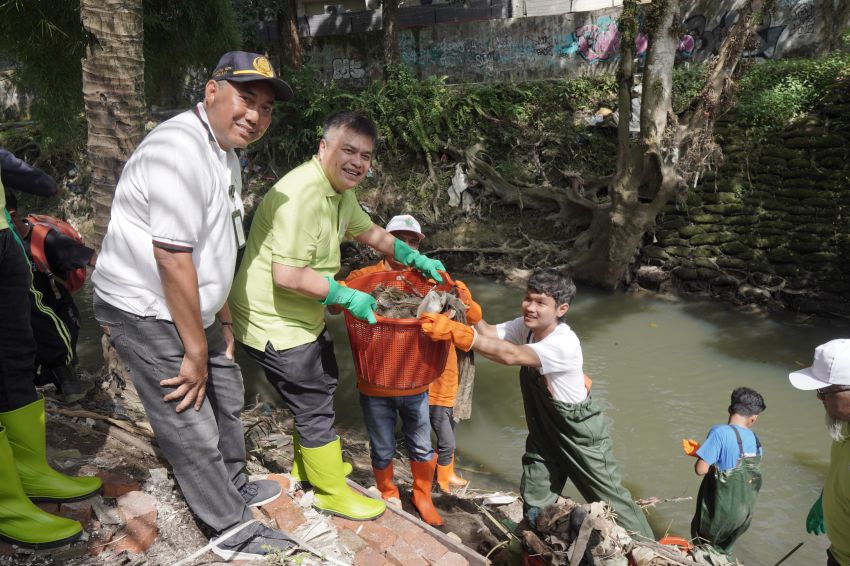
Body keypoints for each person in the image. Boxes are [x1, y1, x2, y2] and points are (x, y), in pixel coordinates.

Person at [92, 52, 297, 560]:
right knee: (189, 414)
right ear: (211, 91)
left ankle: (233, 485)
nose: (255, 115)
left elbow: (218, 243)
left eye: (266, 108)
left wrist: (221, 318)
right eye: (246, 100)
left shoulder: (224, 152)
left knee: (227, 388)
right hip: (145, 307)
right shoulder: (180, 150)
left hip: (191, 306)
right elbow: (172, 256)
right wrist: (193, 348)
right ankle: (228, 529)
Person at [228, 111, 446, 522]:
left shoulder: (338, 192)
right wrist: (347, 296)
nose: (357, 163)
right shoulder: (303, 197)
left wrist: (413, 256)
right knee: (313, 402)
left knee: (324, 379)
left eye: (365, 155)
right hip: (271, 317)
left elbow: (373, 234)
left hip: (300, 313)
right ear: (324, 147)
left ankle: (307, 466)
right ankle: (330, 492)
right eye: (348, 150)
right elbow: (287, 274)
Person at [419, 267, 654, 539]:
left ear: (561, 309)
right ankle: (542, 541)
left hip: (580, 435)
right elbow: (489, 335)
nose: (530, 307)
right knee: (534, 492)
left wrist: (458, 334)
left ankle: (653, 548)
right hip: (545, 430)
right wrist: (471, 311)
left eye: (541, 303)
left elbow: (509, 355)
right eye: (528, 298)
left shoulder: (562, 343)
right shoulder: (527, 327)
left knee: (612, 501)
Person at [343, 214, 481, 525]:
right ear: (383, 242)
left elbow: (473, 314)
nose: (407, 244)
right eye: (399, 238)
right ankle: (388, 492)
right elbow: (334, 304)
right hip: (374, 381)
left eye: (413, 240)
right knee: (381, 445)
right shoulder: (365, 275)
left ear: (419, 244)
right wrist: (343, 293)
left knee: (421, 444)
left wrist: (460, 293)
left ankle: (422, 495)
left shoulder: (431, 281)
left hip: (416, 384)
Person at [0, 149, 101, 548]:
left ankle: (29, 472)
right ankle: (6, 504)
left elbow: (42, 182)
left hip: (3, 236)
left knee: (16, 354)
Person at [5, 189, 96, 402]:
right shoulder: (7, 248)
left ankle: (74, 390)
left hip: (59, 316)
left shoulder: (47, 240)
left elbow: (90, 258)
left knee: (62, 366)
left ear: (12, 215)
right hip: (31, 323)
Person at [789, 339, 850, 566]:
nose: (819, 397)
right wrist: (827, 498)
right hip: (838, 553)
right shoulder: (844, 425)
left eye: (825, 390)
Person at [684, 387, 765, 554]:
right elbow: (744, 468)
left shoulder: (719, 432)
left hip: (719, 511)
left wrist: (701, 454)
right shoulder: (757, 442)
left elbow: (701, 470)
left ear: (730, 409)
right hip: (743, 514)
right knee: (722, 551)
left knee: (703, 549)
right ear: (753, 419)